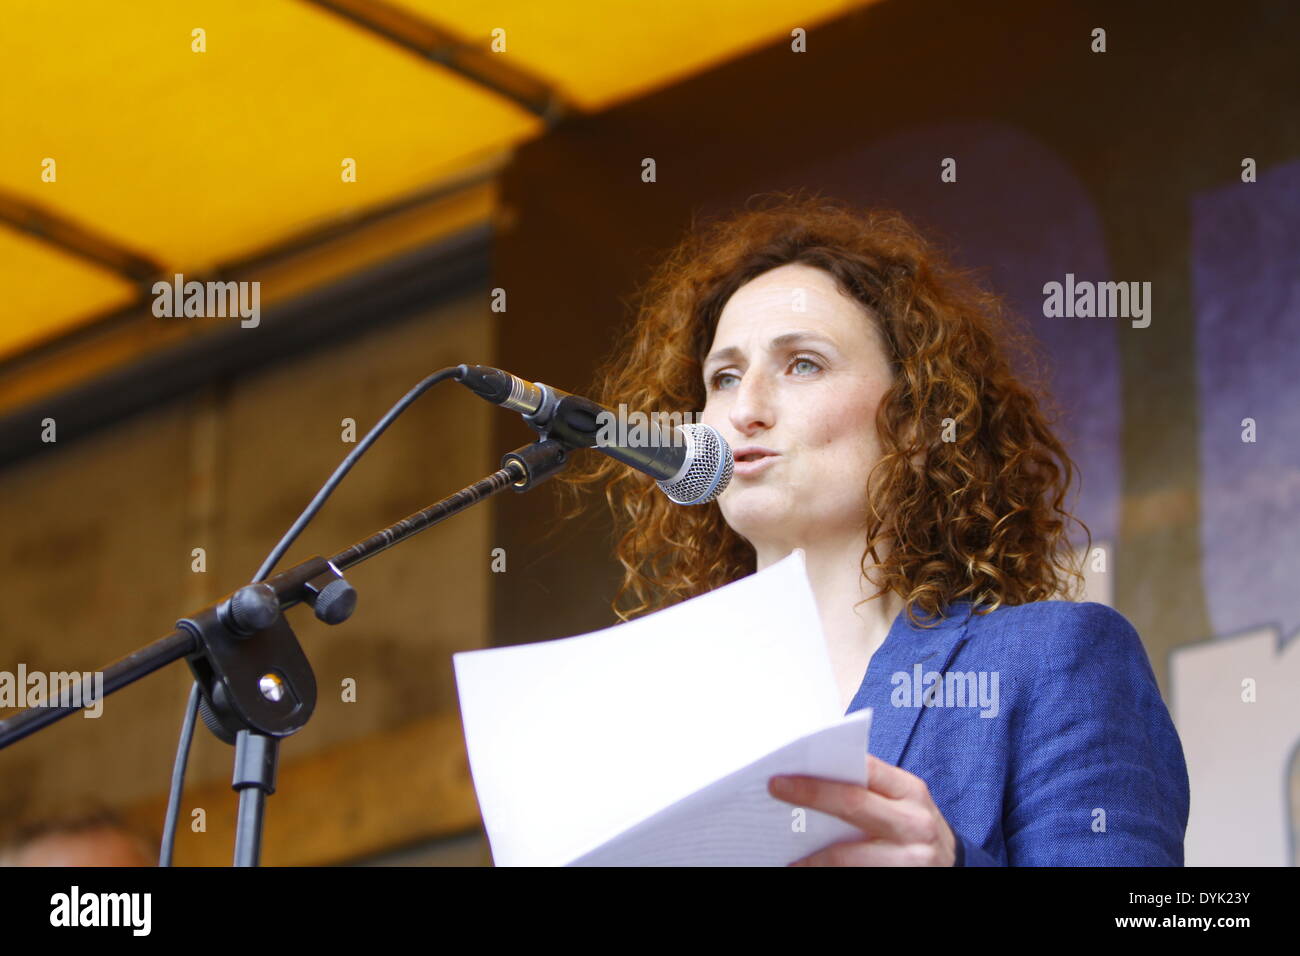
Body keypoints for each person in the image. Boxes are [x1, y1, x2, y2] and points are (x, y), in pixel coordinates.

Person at [555, 192, 1189, 866]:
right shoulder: (654, 719)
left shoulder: (1054, 660)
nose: (746, 408)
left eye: (803, 363)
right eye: (725, 375)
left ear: (917, 421)